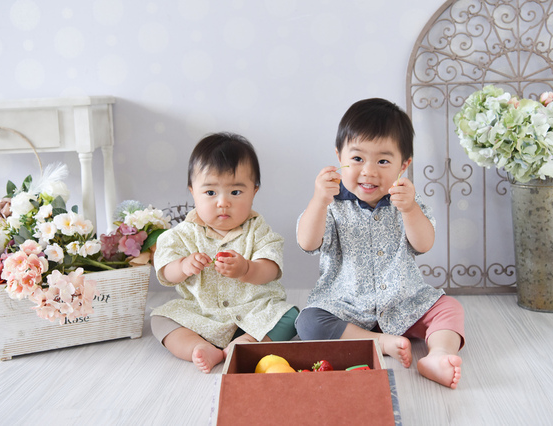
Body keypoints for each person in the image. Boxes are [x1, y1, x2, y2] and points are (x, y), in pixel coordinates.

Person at [295, 98, 465, 389]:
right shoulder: (331, 205)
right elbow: (307, 242)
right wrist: (318, 201)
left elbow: (423, 244)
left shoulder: (407, 202)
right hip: (345, 306)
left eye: (383, 161)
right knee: (308, 323)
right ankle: (379, 342)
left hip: (404, 302)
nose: (369, 171)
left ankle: (438, 355)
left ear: (404, 165)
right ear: (339, 156)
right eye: (358, 159)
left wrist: (411, 210)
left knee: (449, 308)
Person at [151, 132, 298, 373]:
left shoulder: (258, 230)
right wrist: (184, 266)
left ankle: (246, 343)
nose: (223, 202)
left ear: (254, 191)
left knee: (290, 317)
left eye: (235, 192)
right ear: (192, 191)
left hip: (253, 312)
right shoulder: (182, 234)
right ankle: (198, 347)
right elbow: (166, 271)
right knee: (160, 319)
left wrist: (247, 269)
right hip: (203, 314)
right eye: (210, 193)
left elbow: (270, 269)